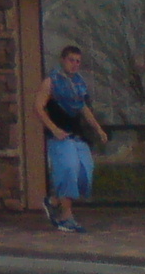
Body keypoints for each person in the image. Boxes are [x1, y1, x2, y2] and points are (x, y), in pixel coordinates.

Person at [36, 44, 108, 232]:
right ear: (63, 60)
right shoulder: (51, 82)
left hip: (78, 137)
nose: (75, 64)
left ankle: (53, 201)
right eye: (71, 60)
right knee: (68, 170)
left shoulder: (78, 84)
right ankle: (67, 217)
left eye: (78, 61)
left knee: (84, 174)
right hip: (60, 137)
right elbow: (38, 107)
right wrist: (54, 128)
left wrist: (99, 129)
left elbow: (84, 109)